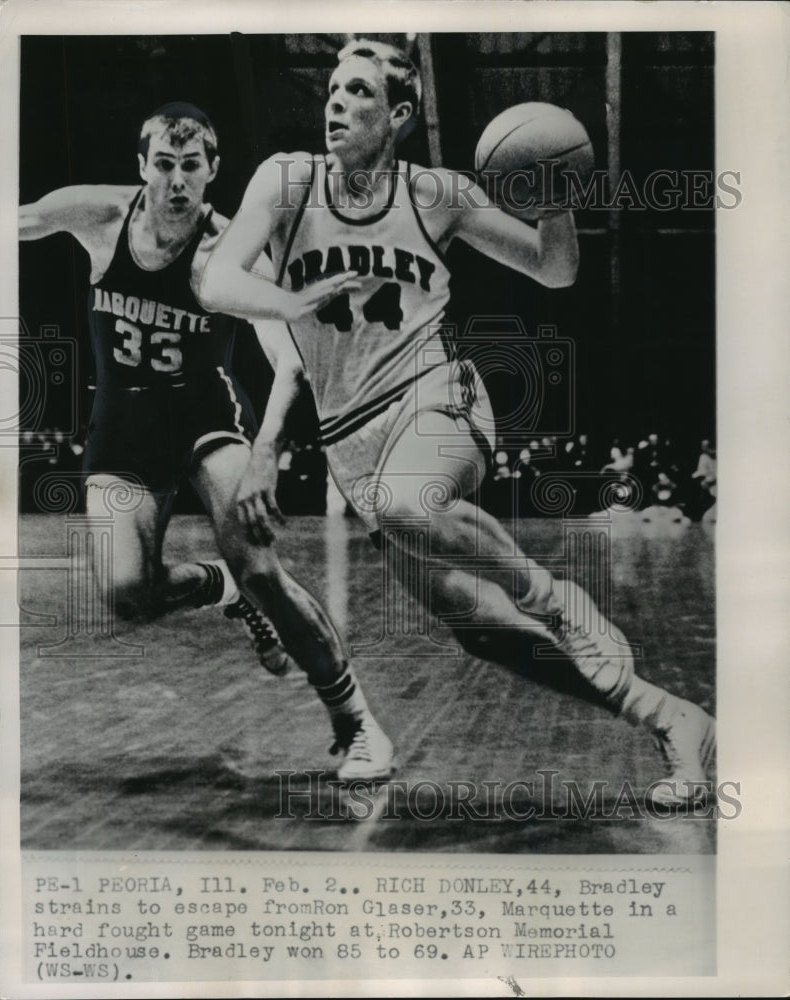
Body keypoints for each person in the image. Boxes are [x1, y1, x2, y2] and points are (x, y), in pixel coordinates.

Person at [199, 42, 715, 804]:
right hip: (350, 442)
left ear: (400, 115)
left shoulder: (437, 194)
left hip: (435, 397)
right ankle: (671, 719)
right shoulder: (286, 180)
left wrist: (556, 199)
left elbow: (554, 269)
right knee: (480, 630)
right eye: (334, 88)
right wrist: (290, 305)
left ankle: (556, 599)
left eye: (359, 91)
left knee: (410, 502)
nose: (336, 102)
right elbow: (217, 280)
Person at [19, 101, 393, 781]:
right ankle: (222, 588)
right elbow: (16, 222)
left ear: (212, 170)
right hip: (121, 426)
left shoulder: (227, 251)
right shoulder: (98, 215)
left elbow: (289, 361)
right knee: (126, 593)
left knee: (264, 573)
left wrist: (266, 452)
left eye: (191, 165)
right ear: (142, 167)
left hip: (205, 418)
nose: (177, 181)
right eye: (164, 164)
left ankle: (357, 723)